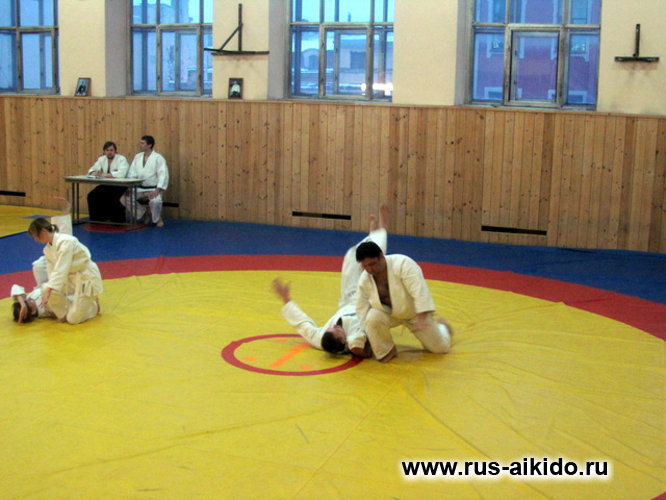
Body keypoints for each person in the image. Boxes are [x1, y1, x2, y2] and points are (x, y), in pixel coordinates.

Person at [273, 205, 390, 357]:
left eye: (331, 328)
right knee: (370, 261)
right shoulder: (354, 338)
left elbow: (302, 323)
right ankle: (382, 229)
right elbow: (362, 342)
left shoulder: (320, 338)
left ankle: (373, 235)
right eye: (337, 330)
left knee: (351, 256)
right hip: (366, 303)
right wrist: (360, 348)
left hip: (348, 300)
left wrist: (286, 300)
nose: (334, 326)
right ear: (343, 341)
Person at [355, 242, 453, 362]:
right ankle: (387, 351)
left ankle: (443, 328)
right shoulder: (365, 279)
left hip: (414, 314)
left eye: (372, 264)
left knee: (440, 348)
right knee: (372, 318)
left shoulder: (403, 264)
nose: (370, 269)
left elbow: (419, 290)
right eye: (365, 266)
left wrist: (422, 317)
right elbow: (361, 308)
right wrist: (365, 334)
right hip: (389, 313)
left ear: (381, 256)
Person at [24, 216, 103, 325]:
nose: (36, 240)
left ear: (43, 231)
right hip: (69, 279)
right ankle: (65, 313)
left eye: (36, 236)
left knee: (73, 319)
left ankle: (93, 307)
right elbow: (52, 272)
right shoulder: (47, 250)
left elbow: (61, 268)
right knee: (45, 289)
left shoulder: (66, 242)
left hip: (86, 277)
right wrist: (49, 290)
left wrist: (50, 290)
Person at [120, 135, 169, 227]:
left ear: (149, 145)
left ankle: (157, 219)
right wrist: (130, 186)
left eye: (142, 143)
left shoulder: (158, 158)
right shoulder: (137, 157)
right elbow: (132, 173)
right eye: (140, 143)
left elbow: (163, 174)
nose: (140, 145)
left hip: (153, 189)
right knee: (124, 199)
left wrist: (158, 190)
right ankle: (144, 213)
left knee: (155, 201)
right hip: (138, 188)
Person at [86, 141, 130, 223]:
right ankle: (97, 219)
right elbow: (91, 170)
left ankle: (117, 221)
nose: (109, 152)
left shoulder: (121, 159)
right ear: (104, 151)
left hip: (120, 185)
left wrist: (104, 175)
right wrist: (95, 172)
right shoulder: (102, 159)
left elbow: (121, 174)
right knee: (92, 195)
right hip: (107, 185)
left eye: (111, 150)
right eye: (107, 150)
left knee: (112, 197)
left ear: (115, 151)